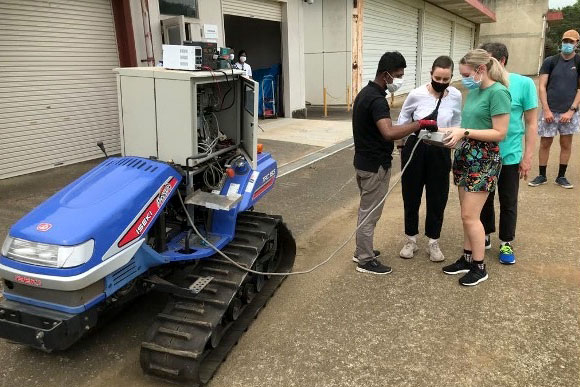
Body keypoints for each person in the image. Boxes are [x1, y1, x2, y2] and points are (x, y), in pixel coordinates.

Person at [351, 51, 438, 275]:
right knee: (370, 214)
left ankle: (362, 249)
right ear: (386, 74)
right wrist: (419, 124)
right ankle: (365, 260)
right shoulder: (377, 100)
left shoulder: (364, 93)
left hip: (362, 162)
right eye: (398, 75)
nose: (399, 80)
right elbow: (388, 132)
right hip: (374, 166)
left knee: (366, 209)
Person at [442, 49, 511, 286]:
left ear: (480, 70)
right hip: (466, 154)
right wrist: (449, 132)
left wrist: (465, 132)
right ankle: (467, 256)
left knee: (471, 215)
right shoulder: (474, 91)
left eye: (466, 74)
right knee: (466, 214)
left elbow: (500, 133)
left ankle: (479, 266)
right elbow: (468, 125)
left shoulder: (498, 93)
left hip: (483, 159)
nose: (464, 79)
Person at [397, 56, 462, 262]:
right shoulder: (416, 94)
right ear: (431, 74)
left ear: (451, 77)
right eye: (437, 78)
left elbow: (457, 120)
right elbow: (403, 119)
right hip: (415, 148)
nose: (441, 82)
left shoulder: (455, 95)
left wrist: (452, 137)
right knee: (411, 195)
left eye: (446, 79)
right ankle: (411, 240)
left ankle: (433, 241)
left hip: (440, 150)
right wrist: (401, 144)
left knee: (437, 196)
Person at [479, 43, 538, 265]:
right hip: (483, 153)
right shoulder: (481, 84)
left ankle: (506, 241)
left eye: (487, 60)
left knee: (508, 200)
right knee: (483, 197)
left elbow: (532, 123)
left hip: (509, 155)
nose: (481, 66)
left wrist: (528, 157)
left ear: (501, 61)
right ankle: (484, 233)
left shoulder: (523, 84)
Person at [529, 29, 580, 189]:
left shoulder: (578, 62)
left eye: (571, 42)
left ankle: (561, 176)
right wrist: (546, 110)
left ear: (577, 44)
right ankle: (542, 175)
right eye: (565, 41)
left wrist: (571, 110)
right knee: (545, 143)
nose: (567, 44)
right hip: (550, 111)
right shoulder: (550, 61)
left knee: (566, 144)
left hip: (569, 112)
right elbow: (542, 86)